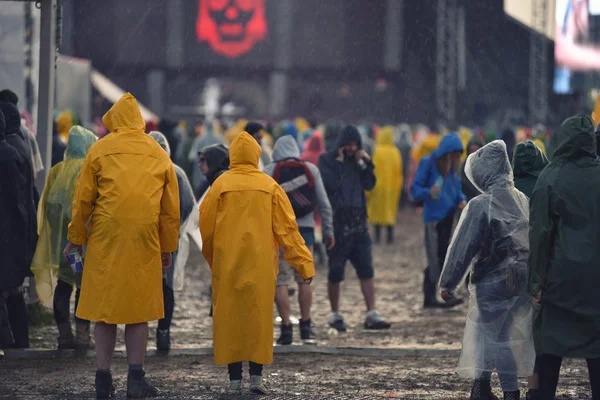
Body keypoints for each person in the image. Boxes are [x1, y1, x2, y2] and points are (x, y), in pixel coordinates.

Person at [63, 93, 180, 399]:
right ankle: (136, 379)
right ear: (140, 120)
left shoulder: (99, 150)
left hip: (106, 238)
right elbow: (170, 209)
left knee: (105, 310)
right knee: (137, 311)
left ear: (114, 120)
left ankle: (103, 380)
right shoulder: (158, 152)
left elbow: (83, 199)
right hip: (145, 240)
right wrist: (167, 246)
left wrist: (75, 238)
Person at [199, 132, 315, 395]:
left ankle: (233, 381)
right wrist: (304, 264)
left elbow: (205, 227)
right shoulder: (269, 186)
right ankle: (257, 379)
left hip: (227, 264)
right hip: (261, 265)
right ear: (256, 153)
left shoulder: (219, 185)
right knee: (258, 319)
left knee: (229, 319)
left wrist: (212, 258)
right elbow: (288, 230)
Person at [440, 140, 535, 400]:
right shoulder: (522, 200)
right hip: (521, 278)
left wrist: (448, 282)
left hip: (492, 282)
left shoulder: (481, 204)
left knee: (498, 337)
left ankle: (509, 392)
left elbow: (462, 247)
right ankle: (482, 389)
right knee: (497, 334)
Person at [528, 114, 600, 400]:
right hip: (596, 283)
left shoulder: (550, 177)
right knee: (597, 349)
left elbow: (540, 235)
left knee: (549, 348)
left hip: (559, 282)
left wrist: (535, 282)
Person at [318, 125, 391, 331]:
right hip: (338, 224)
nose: (351, 148)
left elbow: (370, 184)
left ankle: (371, 313)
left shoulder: (358, 162)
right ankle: (334, 314)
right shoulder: (327, 160)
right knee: (336, 271)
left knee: (366, 269)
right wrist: (340, 163)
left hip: (359, 224)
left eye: (355, 144)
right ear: (341, 144)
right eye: (348, 144)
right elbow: (331, 184)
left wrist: (367, 163)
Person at [30, 126, 97, 350]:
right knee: (82, 286)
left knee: (64, 284)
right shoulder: (88, 169)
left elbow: (47, 205)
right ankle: (82, 336)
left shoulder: (57, 171)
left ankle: (64, 335)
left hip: (62, 245)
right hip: (81, 245)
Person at [264, 135, 334, 345]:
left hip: (279, 233)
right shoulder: (311, 170)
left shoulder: (268, 171)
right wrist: (328, 230)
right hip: (305, 231)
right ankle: (306, 325)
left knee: (281, 280)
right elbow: (323, 203)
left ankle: (286, 328)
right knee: (305, 278)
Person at [149, 131, 195, 352]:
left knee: (141, 284)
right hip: (168, 240)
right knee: (166, 287)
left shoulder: (140, 171)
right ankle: (163, 332)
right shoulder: (176, 173)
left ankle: (136, 332)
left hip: (142, 237)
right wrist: (172, 228)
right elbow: (187, 206)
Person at [410, 132, 466, 308]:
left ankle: (444, 295)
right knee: (434, 257)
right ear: (447, 152)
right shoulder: (428, 163)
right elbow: (415, 189)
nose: (455, 158)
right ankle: (430, 296)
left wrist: (461, 200)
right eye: (453, 154)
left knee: (445, 257)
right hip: (433, 218)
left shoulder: (454, 167)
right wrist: (428, 193)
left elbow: (456, 189)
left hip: (448, 217)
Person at [0, 101, 37, 348]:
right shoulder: (16, 150)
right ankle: (19, 342)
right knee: (12, 289)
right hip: (12, 233)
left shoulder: (10, 153)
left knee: (10, 289)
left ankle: (12, 340)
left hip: (8, 232)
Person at [368, 126, 403, 244]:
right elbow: (398, 172)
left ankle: (377, 237)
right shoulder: (396, 152)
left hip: (378, 187)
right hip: (392, 187)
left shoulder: (377, 151)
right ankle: (390, 237)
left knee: (377, 213)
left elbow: (372, 170)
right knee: (390, 213)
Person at [461, 135, 485, 202]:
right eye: (471, 151)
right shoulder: (464, 167)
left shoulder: (486, 167)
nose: (473, 154)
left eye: (476, 151)